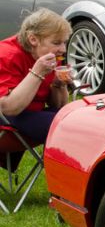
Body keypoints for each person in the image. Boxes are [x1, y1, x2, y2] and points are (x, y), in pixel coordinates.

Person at [0, 8, 72, 146]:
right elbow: (8, 108)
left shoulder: (48, 54)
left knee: (79, 118)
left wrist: (58, 85)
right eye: (57, 43)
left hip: (31, 115)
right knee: (66, 127)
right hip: (7, 120)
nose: (63, 49)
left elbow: (58, 106)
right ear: (33, 39)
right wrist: (37, 72)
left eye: (64, 42)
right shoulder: (7, 55)